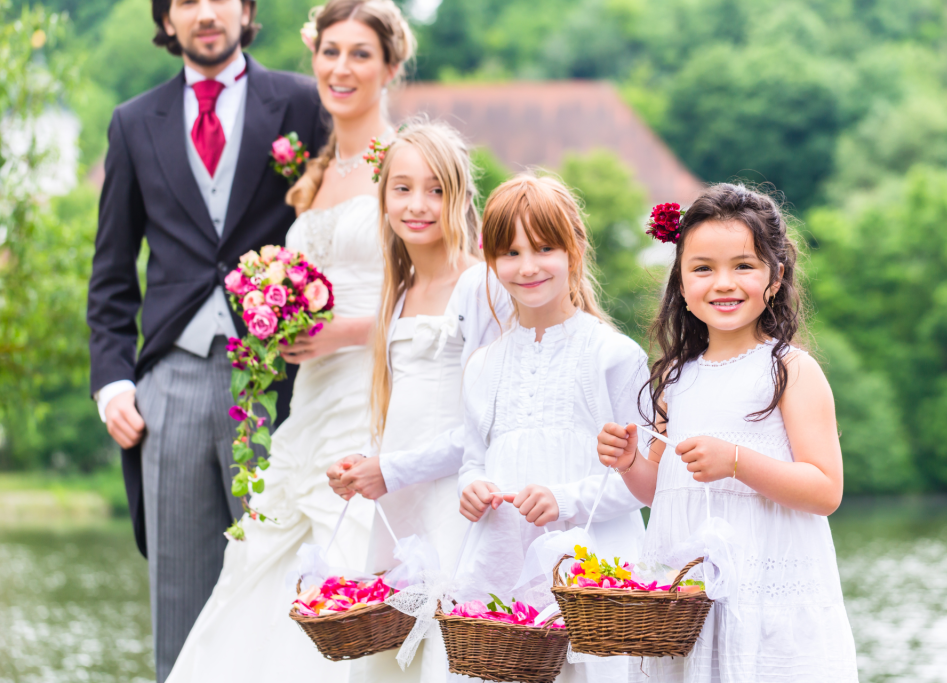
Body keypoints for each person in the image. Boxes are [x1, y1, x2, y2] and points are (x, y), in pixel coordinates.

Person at [163, 1, 416, 681]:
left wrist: (348, 330)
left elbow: (451, 295)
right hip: (306, 403)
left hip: (376, 400)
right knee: (259, 564)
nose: (341, 68)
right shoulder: (314, 172)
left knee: (354, 573)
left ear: (391, 66)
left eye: (361, 54)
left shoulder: (409, 165)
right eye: (330, 52)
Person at [86, 0, 327, 678]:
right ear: (167, 22)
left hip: (281, 384)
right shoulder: (133, 123)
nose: (206, 12)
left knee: (285, 592)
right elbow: (110, 276)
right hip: (172, 384)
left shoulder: (305, 105)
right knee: (181, 600)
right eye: (186, 1)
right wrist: (113, 384)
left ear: (246, 11)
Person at [597, 184, 859, 681]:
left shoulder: (789, 370)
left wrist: (737, 462)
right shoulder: (674, 379)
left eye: (743, 266)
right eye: (703, 268)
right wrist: (631, 461)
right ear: (680, 281)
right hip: (687, 605)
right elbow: (662, 490)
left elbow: (826, 490)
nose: (723, 283)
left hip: (763, 595)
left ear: (775, 277)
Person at [324, 120, 514, 682]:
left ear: (460, 198)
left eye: (436, 189)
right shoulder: (399, 294)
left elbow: (488, 426)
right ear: (382, 196)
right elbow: (400, 410)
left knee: (448, 649)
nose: (418, 204)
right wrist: (364, 463)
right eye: (402, 188)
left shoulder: (481, 287)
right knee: (390, 653)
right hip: (399, 499)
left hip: (454, 501)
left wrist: (393, 468)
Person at [456, 175, 647, 682]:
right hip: (505, 574)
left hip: (594, 577)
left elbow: (643, 483)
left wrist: (565, 500)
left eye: (545, 248)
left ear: (575, 248)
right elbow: (473, 458)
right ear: (491, 261)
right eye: (510, 252)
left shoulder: (613, 355)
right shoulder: (481, 365)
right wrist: (470, 488)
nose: (527, 266)